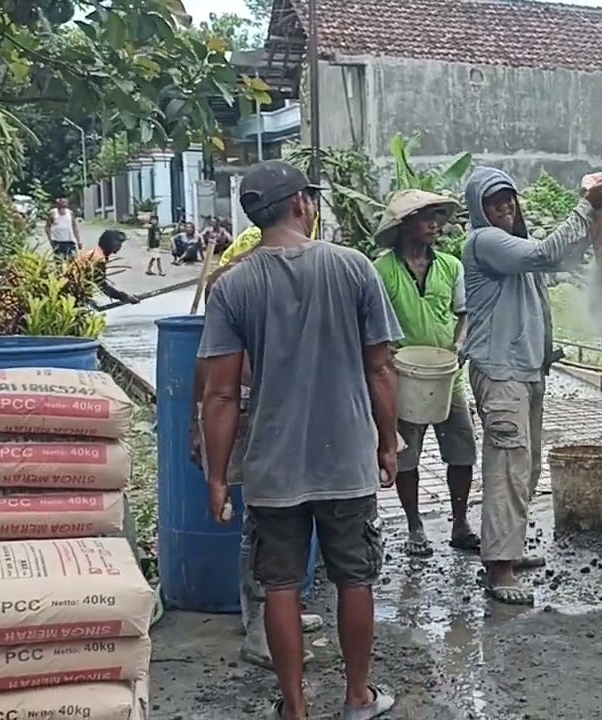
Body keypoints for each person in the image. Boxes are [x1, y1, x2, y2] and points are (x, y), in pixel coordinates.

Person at [197, 160, 401, 720]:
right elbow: (381, 368)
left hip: (272, 466)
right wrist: (389, 443)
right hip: (346, 461)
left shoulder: (233, 285)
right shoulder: (354, 268)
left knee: (280, 585)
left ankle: (295, 708)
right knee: (354, 577)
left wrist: (217, 478)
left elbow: (218, 395)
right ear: (300, 205)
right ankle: (358, 696)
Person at [461, 166, 602, 605]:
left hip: (524, 372)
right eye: (495, 203)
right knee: (507, 469)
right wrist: (587, 205)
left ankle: (506, 551)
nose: (506, 208)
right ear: (480, 210)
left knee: (524, 469)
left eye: (509, 199)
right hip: (501, 373)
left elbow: (561, 256)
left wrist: (600, 223)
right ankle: (498, 570)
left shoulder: (516, 250)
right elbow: (549, 253)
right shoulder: (485, 242)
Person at [189, 232, 325, 672]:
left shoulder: (265, 312)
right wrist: (199, 431)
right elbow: (208, 381)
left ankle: (279, 610)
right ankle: (259, 628)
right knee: (258, 524)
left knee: (283, 518)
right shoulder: (232, 306)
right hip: (244, 425)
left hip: (269, 425)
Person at [373, 190, 478, 557]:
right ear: (404, 226)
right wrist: (386, 354)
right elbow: (374, 325)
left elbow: (464, 313)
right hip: (403, 377)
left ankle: (461, 523)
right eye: (425, 217)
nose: (435, 223)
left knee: (462, 451)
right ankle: (415, 526)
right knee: (406, 457)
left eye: (438, 216)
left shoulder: (451, 266)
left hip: (448, 377)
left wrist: (459, 344)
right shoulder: (381, 270)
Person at [74, 229, 139, 306]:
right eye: (119, 244)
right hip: (75, 291)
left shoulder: (96, 252)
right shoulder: (98, 259)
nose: (120, 247)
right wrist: (126, 297)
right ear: (112, 244)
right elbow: (101, 285)